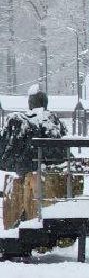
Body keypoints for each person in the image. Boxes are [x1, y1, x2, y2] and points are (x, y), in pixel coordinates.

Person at [0, 88, 67, 230]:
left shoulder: (20, 121)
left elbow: (7, 150)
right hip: (48, 174)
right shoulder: (55, 122)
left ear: (30, 103)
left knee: (22, 199)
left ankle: (18, 225)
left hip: (27, 171)